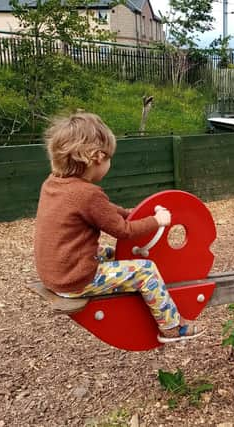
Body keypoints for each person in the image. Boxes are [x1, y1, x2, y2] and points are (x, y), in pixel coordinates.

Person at [33, 112, 203, 343]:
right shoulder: (87, 194)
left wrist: (130, 213)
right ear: (97, 157)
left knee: (112, 253)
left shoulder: (54, 183)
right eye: (110, 158)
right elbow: (124, 231)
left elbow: (104, 209)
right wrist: (157, 220)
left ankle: (146, 298)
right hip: (76, 280)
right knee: (145, 270)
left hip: (55, 274)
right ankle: (172, 327)